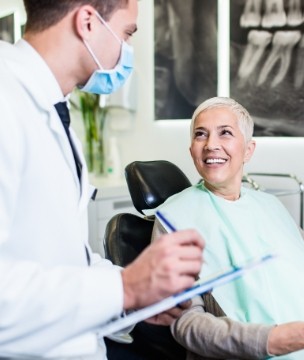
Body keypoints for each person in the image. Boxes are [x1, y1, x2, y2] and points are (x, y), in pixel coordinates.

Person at [0, 1, 204, 359]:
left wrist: (134, 302)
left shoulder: (52, 112)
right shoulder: (7, 103)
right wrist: (124, 288)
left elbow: (65, 257)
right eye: (127, 34)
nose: (127, 51)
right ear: (88, 22)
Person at [151, 96, 304, 359]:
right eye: (200, 135)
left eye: (225, 133)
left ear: (249, 150)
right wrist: (269, 340)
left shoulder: (269, 204)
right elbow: (187, 322)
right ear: (191, 149)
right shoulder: (175, 217)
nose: (211, 145)